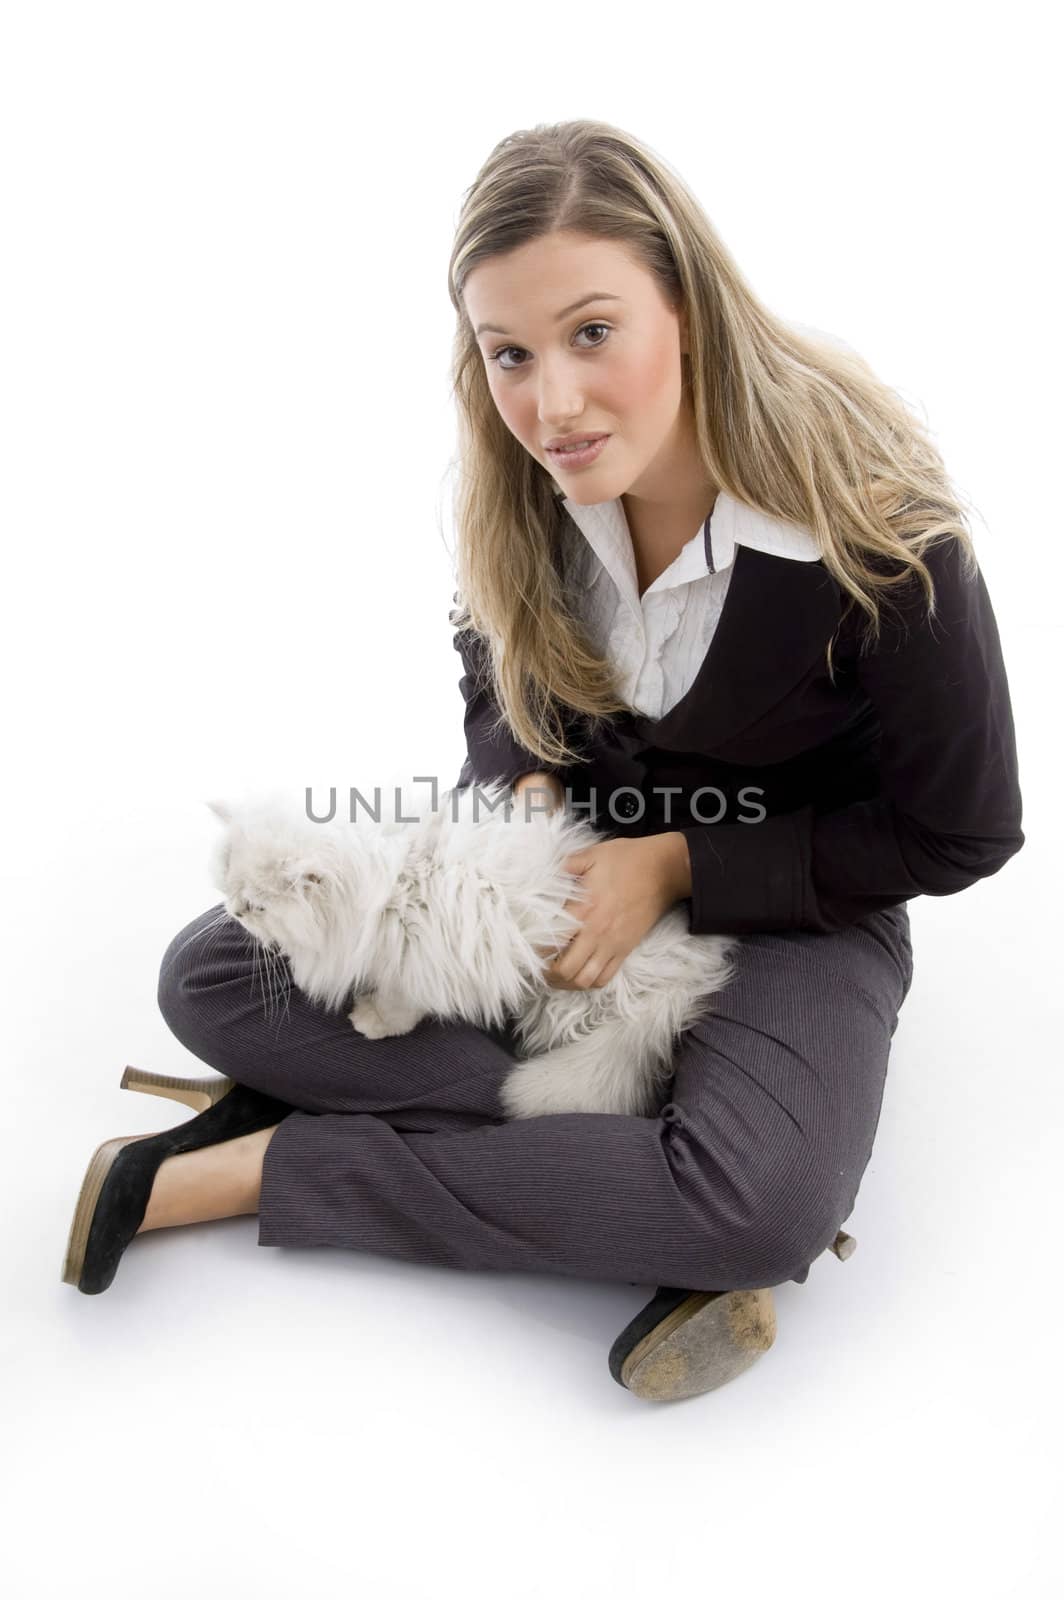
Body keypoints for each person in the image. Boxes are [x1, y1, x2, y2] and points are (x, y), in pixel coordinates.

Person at [62, 119, 1024, 1404]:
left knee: (759, 1204)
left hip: (792, 894)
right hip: (542, 878)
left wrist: (675, 863)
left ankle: (263, 1162)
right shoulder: (521, 487)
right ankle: (635, 1167)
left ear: (683, 301)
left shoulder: (878, 529)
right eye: (507, 352)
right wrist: (524, 794)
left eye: (590, 333)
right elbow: (495, 679)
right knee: (213, 977)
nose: (550, 404)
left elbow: (958, 831)